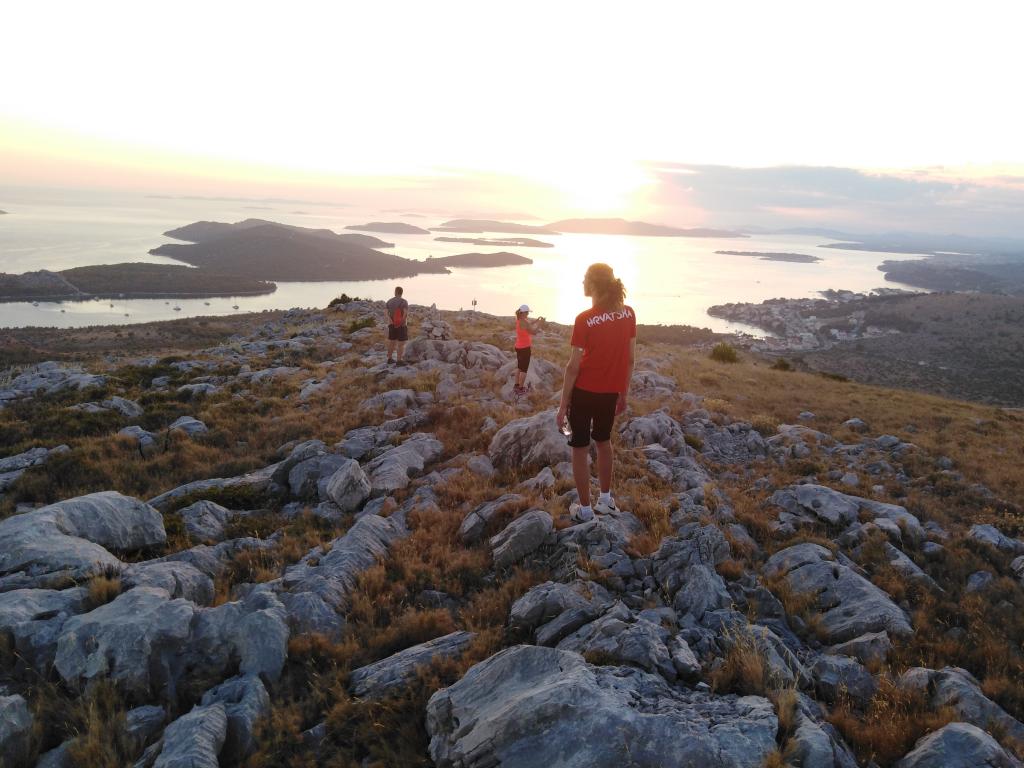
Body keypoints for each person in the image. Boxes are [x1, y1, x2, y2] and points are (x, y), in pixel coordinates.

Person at [555, 263, 635, 523]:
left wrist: (562, 405)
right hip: (610, 392)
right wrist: (623, 392)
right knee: (603, 442)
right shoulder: (628, 314)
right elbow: (630, 359)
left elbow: (573, 366)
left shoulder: (584, 319)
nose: (582, 283)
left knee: (579, 448)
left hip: (584, 392)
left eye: (585, 279)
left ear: (593, 284)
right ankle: (606, 500)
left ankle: (585, 510)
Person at [513, 304, 544, 394]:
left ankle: (516, 385)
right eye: (527, 313)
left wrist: (536, 321)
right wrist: (540, 324)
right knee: (524, 369)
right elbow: (534, 332)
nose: (528, 314)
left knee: (519, 367)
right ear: (523, 313)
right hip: (525, 348)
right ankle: (520, 389)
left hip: (518, 347)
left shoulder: (519, 320)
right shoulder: (524, 322)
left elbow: (528, 324)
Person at [385, 286, 409, 365]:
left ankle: (389, 359)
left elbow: (386, 313)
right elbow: (405, 314)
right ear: (402, 293)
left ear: (395, 292)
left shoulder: (389, 301)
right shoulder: (404, 302)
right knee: (401, 344)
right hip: (401, 325)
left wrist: (390, 320)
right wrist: (401, 322)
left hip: (391, 324)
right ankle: (399, 361)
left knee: (392, 342)